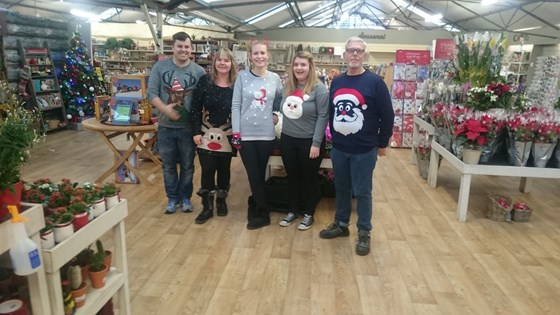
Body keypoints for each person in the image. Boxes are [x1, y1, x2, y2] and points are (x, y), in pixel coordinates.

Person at [319, 37, 395, 256]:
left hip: (365, 149)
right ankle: (341, 224)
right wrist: (332, 137)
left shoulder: (375, 82)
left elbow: (387, 115)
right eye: (350, 50)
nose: (354, 54)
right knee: (341, 188)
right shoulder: (337, 81)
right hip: (340, 148)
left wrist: (383, 143)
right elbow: (333, 111)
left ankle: (364, 232)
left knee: (362, 192)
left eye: (358, 51)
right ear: (344, 55)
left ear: (364, 55)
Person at [147, 31, 206, 214]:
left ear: (191, 49)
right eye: (179, 46)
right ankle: (172, 199)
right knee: (168, 166)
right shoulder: (160, 67)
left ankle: (186, 198)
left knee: (188, 166)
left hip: (189, 129)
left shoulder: (199, 72)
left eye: (186, 47)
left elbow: (204, 99)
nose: (183, 50)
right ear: (172, 48)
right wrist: (166, 110)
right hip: (165, 127)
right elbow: (152, 94)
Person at [231, 38, 283, 230]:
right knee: (252, 173)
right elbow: (235, 105)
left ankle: (255, 202)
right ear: (250, 57)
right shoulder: (242, 77)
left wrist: (277, 114)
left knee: (259, 173)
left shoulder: (275, 78)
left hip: (266, 134)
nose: (259, 56)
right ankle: (264, 211)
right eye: (256, 53)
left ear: (267, 55)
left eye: (262, 53)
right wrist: (236, 132)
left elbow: (280, 99)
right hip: (245, 134)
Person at [277, 50, 329, 231]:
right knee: (292, 177)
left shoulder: (319, 89)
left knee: (309, 179)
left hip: (309, 142)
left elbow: (323, 116)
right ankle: (293, 210)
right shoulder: (287, 86)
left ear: (310, 67)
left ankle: (309, 213)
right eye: (296, 64)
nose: (299, 68)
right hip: (288, 139)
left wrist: (316, 143)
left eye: (303, 65)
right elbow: (279, 106)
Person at [192, 47, 238, 224]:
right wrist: (196, 131)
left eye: (226, 60)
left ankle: (221, 201)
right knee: (208, 169)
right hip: (205, 133)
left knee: (224, 170)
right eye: (220, 59)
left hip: (228, 135)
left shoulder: (236, 84)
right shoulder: (205, 81)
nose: (223, 63)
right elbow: (195, 108)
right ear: (214, 62)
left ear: (231, 63)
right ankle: (207, 206)